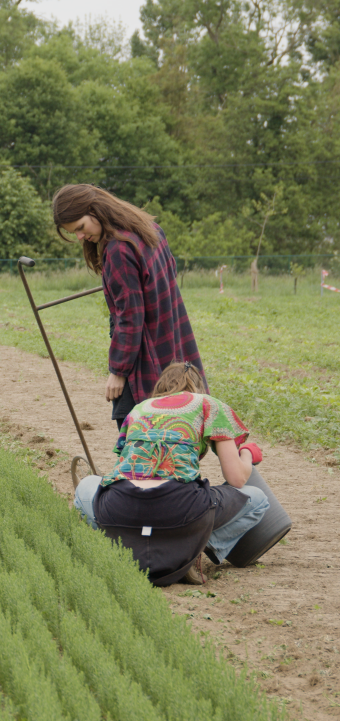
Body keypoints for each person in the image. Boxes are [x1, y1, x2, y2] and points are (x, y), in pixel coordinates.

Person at [73, 362, 269, 584]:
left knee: (85, 487)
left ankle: (121, 549)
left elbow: (127, 463)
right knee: (259, 499)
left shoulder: (139, 409)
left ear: (161, 387)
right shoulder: (209, 405)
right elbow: (237, 478)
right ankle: (191, 554)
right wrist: (247, 454)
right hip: (181, 506)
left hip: (121, 505)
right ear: (197, 387)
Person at [52, 184, 203, 429]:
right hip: (173, 352)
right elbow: (168, 275)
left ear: (95, 209)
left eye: (80, 227)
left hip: (147, 361)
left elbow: (130, 318)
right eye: (74, 233)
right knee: (177, 434)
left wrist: (118, 371)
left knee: (139, 443)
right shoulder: (149, 229)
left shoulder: (119, 249)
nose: (80, 236)